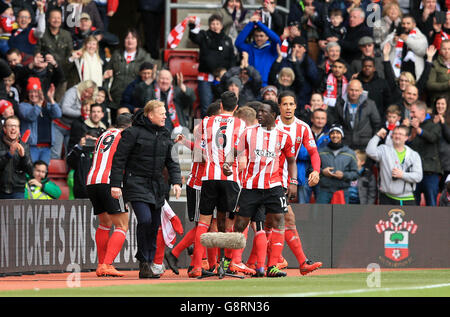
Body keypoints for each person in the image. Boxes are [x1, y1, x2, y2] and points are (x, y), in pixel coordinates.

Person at [110, 100, 182, 279]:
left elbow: (172, 161)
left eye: (165, 113)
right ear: (150, 115)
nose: (166, 116)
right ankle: (144, 260)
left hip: (157, 185)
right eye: (162, 113)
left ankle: (148, 262)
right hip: (136, 182)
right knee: (145, 220)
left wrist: (176, 182)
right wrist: (115, 184)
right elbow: (119, 159)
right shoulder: (132, 133)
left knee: (154, 224)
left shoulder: (165, 134)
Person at [222, 101, 295, 278]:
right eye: (258, 111)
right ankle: (229, 261)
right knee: (240, 224)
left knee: (279, 220)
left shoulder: (283, 136)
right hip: (251, 187)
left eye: (263, 111)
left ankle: (273, 266)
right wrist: (227, 163)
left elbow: (291, 160)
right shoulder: (249, 133)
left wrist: (293, 181)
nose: (259, 114)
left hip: (274, 186)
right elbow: (234, 150)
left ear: (273, 114)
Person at [188, 91, 245, 278]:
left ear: (220, 106)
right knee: (229, 224)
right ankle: (227, 264)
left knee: (204, 223)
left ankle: (197, 266)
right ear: (236, 108)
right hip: (230, 178)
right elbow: (240, 151)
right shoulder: (241, 123)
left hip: (209, 177)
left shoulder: (205, 122)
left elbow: (199, 150)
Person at [273, 92, 322, 275]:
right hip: (270, 179)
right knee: (280, 220)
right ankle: (274, 261)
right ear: (279, 106)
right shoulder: (272, 125)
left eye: (291, 104)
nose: (288, 107)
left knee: (279, 220)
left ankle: (275, 261)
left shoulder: (302, 127)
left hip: (284, 181)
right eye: (284, 104)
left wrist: (315, 170)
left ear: (295, 106)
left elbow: (314, 152)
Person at [86, 113, 133, 277]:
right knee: (122, 225)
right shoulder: (125, 136)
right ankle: (107, 264)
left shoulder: (103, 134)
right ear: (129, 126)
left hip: (92, 180)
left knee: (105, 223)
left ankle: (101, 264)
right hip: (110, 181)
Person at [188, 14, 236, 118]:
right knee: (206, 105)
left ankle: (222, 128)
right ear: (209, 25)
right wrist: (192, 25)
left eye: (217, 23)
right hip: (205, 77)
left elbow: (232, 58)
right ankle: (205, 130)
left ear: (222, 25)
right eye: (213, 23)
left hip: (222, 78)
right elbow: (194, 37)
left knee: (223, 105)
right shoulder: (204, 35)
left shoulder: (227, 39)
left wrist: (228, 74)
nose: (215, 26)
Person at [103, 28, 153, 123]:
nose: (130, 40)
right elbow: (106, 75)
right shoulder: (116, 54)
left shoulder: (145, 56)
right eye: (127, 38)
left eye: (133, 38)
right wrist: (106, 92)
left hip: (135, 100)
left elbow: (150, 78)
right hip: (116, 97)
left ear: (138, 41)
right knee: (117, 125)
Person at [366, 125, 423, 205]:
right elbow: (369, 151)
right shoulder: (384, 149)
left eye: (400, 134)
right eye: (395, 133)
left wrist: (402, 175)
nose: (397, 136)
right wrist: (377, 135)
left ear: (406, 138)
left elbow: (418, 177)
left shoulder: (413, 155)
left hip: (407, 198)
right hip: (387, 197)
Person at [17, 77, 61, 165]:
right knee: (31, 170)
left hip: (47, 147)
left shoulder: (47, 106)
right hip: (31, 146)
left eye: (36, 92)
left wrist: (51, 98)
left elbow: (58, 114)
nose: (33, 94)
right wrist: (39, 103)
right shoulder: (23, 106)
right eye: (31, 92)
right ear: (27, 94)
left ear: (40, 93)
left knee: (43, 172)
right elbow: (31, 116)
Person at [330, 79, 382, 150]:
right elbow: (336, 123)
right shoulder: (340, 104)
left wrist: (373, 142)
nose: (354, 93)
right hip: (345, 143)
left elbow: (377, 124)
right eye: (351, 90)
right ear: (347, 90)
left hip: (365, 144)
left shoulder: (370, 104)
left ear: (361, 91)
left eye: (356, 90)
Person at [52, 79, 98, 159]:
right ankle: (52, 171)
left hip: (71, 128)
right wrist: (81, 114)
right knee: (56, 153)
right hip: (59, 125)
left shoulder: (89, 100)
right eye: (86, 91)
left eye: (90, 94)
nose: (87, 94)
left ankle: (67, 171)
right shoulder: (72, 92)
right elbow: (64, 109)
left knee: (70, 153)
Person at [408, 101, 442, 206]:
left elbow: (432, 138)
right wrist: (412, 133)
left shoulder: (434, 124)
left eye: (413, 112)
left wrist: (418, 129)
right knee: (413, 205)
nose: (411, 115)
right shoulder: (410, 126)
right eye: (410, 112)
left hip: (430, 172)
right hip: (413, 172)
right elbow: (406, 147)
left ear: (422, 111)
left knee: (431, 204)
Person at [36, 8, 74, 101]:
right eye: (53, 18)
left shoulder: (67, 35)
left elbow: (70, 55)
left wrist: (59, 65)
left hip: (62, 74)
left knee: (59, 103)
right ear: (48, 19)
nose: (56, 20)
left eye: (58, 18)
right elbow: (37, 52)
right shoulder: (42, 34)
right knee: (44, 101)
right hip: (46, 74)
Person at [235, 15, 281, 87]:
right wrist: (251, 24)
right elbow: (238, 43)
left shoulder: (271, 49)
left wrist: (259, 23)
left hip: (266, 85)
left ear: (267, 37)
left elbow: (277, 40)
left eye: (261, 36)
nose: (258, 38)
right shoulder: (249, 48)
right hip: (250, 85)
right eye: (256, 36)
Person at [317, 124, 359, 204]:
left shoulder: (350, 153)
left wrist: (344, 175)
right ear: (329, 135)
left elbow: (355, 174)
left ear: (342, 135)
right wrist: (323, 172)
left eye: (338, 133)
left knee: (341, 216)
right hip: (324, 190)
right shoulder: (321, 152)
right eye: (332, 133)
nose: (335, 135)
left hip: (342, 191)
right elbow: (311, 169)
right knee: (320, 215)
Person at [297, 108, 330, 203]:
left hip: (322, 175)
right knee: (303, 207)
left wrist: (313, 151)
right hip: (304, 175)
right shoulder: (304, 133)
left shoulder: (329, 136)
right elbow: (301, 154)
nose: (320, 121)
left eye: (323, 118)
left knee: (321, 208)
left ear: (326, 120)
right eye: (317, 118)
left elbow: (328, 156)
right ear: (312, 119)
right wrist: (316, 153)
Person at [381, 14, 428, 80]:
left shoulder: (419, 35)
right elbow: (382, 48)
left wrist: (407, 39)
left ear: (414, 24)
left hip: (414, 73)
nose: (405, 26)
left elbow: (423, 51)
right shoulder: (395, 33)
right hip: (396, 72)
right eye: (403, 23)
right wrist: (393, 41)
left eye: (408, 23)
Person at [153, 69, 196, 135]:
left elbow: (192, 98)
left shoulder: (177, 91)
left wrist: (181, 85)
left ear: (171, 81)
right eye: (162, 78)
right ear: (157, 80)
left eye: (167, 79)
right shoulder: (151, 92)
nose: (164, 81)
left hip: (176, 130)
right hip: (156, 130)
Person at [0, 115, 33, 199]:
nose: (13, 128)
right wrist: (9, 155)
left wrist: (23, 157)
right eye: (10, 126)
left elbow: (30, 171)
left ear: (19, 130)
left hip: (17, 191)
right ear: (4, 129)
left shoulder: (24, 146)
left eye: (16, 126)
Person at [431, 96, 450, 192]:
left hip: (446, 161)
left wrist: (442, 123)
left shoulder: (448, 119)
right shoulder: (430, 118)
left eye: (443, 104)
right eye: (438, 103)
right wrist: (433, 124)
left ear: (447, 106)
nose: (440, 106)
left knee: (444, 189)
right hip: (433, 159)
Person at [426, 39, 450, 103]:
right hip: (439, 101)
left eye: (449, 49)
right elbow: (429, 85)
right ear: (440, 50)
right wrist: (447, 84)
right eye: (444, 49)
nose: (447, 51)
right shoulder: (435, 64)